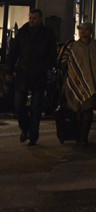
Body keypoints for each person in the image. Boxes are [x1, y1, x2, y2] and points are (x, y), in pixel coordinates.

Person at [8, 8, 57, 146]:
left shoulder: (47, 34)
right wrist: (9, 70)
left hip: (38, 74)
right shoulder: (23, 32)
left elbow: (52, 54)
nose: (31, 20)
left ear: (40, 18)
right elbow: (14, 52)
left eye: (34, 18)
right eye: (30, 18)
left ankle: (33, 135)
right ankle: (25, 128)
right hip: (23, 73)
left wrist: (45, 66)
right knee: (18, 105)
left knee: (36, 108)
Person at [61, 22, 96, 146]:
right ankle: (78, 135)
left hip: (93, 84)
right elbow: (64, 62)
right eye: (81, 29)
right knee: (76, 110)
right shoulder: (71, 46)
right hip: (75, 83)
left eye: (86, 29)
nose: (83, 32)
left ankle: (83, 137)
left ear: (90, 31)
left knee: (87, 111)